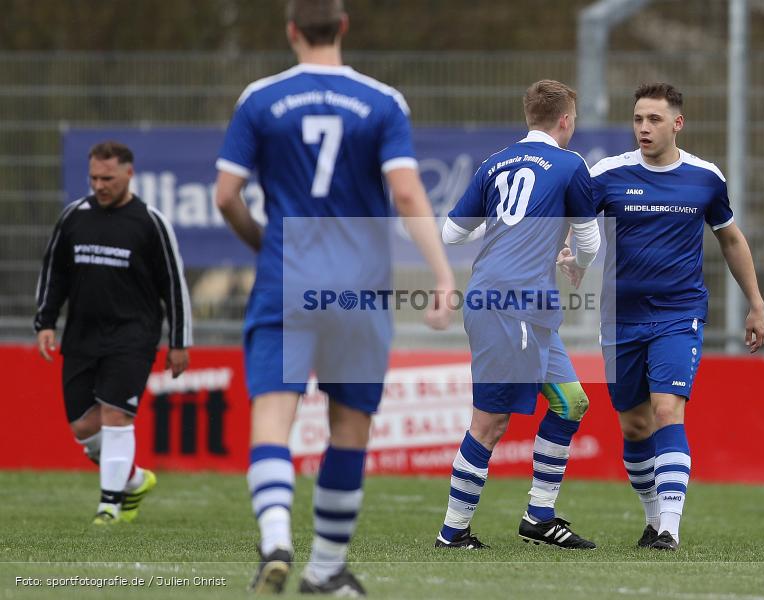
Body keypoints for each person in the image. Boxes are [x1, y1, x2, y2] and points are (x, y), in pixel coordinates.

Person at [214, 0, 454, 595]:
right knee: (349, 429)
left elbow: (225, 195)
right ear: (343, 27)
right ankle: (324, 569)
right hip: (358, 288)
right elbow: (405, 195)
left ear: (291, 31)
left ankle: (275, 538)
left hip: (286, 279)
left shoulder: (260, 99)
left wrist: (263, 244)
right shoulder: (381, 102)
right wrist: (443, 276)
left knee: (273, 416)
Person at [582, 82, 764, 551]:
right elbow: (575, 226)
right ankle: (651, 519)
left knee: (667, 411)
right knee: (635, 425)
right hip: (619, 319)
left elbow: (731, 239)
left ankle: (670, 528)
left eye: (655, 120)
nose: (644, 128)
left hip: (678, 313)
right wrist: (570, 255)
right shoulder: (607, 173)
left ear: (677, 123)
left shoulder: (705, 177)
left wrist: (756, 303)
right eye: (638, 119)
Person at [435, 80, 600, 550]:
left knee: (572, 402)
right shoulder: (571, 165)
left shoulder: (494, 163)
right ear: (566, 120)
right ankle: (453, 532)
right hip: (512, 305)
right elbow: (589, 243)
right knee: (490, 424)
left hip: (520, 305)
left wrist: (505, 224)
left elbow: (451, 234)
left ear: (529, 116)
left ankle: (539, 519)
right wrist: (576, 265)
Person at [34, 140, 192, 525]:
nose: (100, 185)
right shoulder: (73, 217)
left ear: (128, 173)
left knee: (116, 415)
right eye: (93, 178)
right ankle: (135, 480)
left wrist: (179, 342)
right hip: (82, 334)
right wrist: (46, 322)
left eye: (107, 178)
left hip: (132, 335)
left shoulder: (150, 222)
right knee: (84, 427)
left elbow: (174, 285)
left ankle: (110, 505)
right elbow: (55, 273)